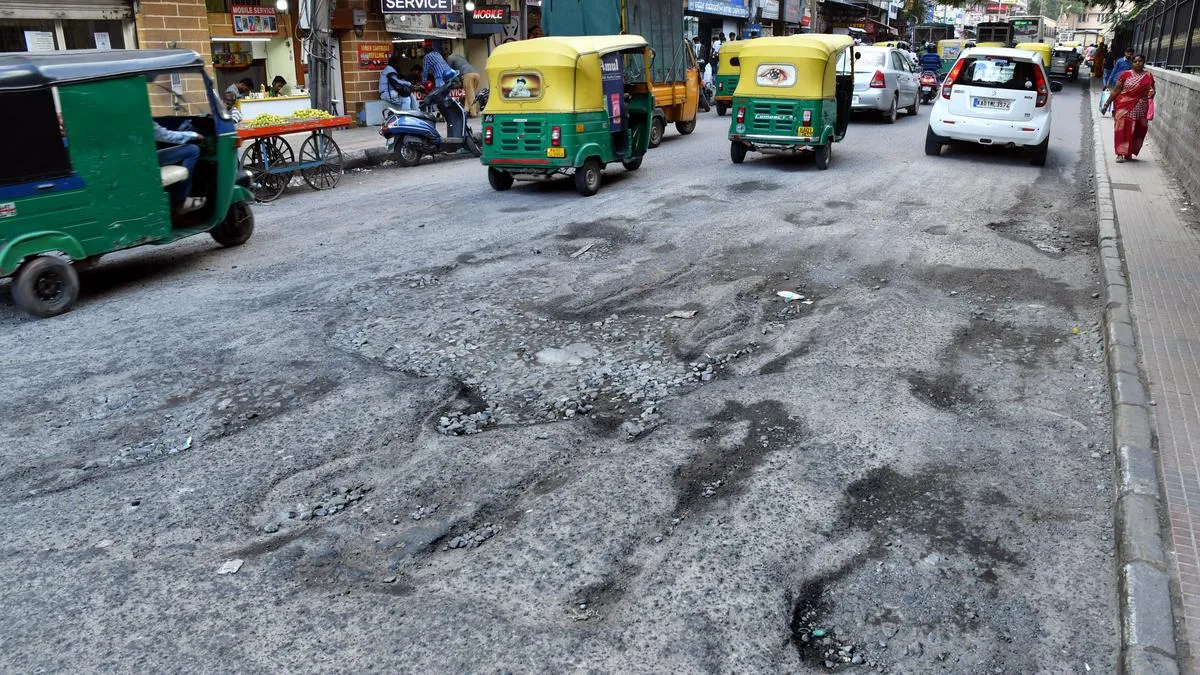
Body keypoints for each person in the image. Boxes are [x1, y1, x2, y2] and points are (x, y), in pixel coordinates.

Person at [1101, 53, 1155, 162]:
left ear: (1143, 62)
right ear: (1132, 63)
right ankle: (1120, 153)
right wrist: (1106, 104)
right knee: (1121, 129)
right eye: (1135, 61)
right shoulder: (1125, 75)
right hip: (1123, 106)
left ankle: (1128, 152)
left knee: (1136, 130)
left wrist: (1151, 93)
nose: (1138, 63)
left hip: (1140, 107)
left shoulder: (1148, 76)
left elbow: (1153, 90)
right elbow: (1116, 90)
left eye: (1140, 61)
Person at [153, 121, 204, 213]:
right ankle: (181, 201)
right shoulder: (140, 116)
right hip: (146, 159)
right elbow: (165, 135)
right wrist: (194, 135)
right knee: (193, 150)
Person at [446, 51, 481, 116]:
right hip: (476, 73)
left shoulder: (450, 58)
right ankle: (466, 110)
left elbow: (449, 71)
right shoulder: (459, 56)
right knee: (470, 94)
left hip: (467, 74)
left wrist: (450, 81)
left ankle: (473, 113)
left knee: (470, 95)